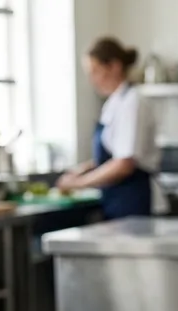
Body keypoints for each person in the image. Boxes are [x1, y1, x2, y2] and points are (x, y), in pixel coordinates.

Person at [57, 37, 159, 220]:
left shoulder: (132, 102)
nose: (92, 80)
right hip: (117, 201)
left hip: (135, 201)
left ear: (115, 66)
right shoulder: (114, 103)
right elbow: (112, 154)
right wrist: (84, 168)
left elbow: (124, 164)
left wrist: (79, 183)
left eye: (95, 71)